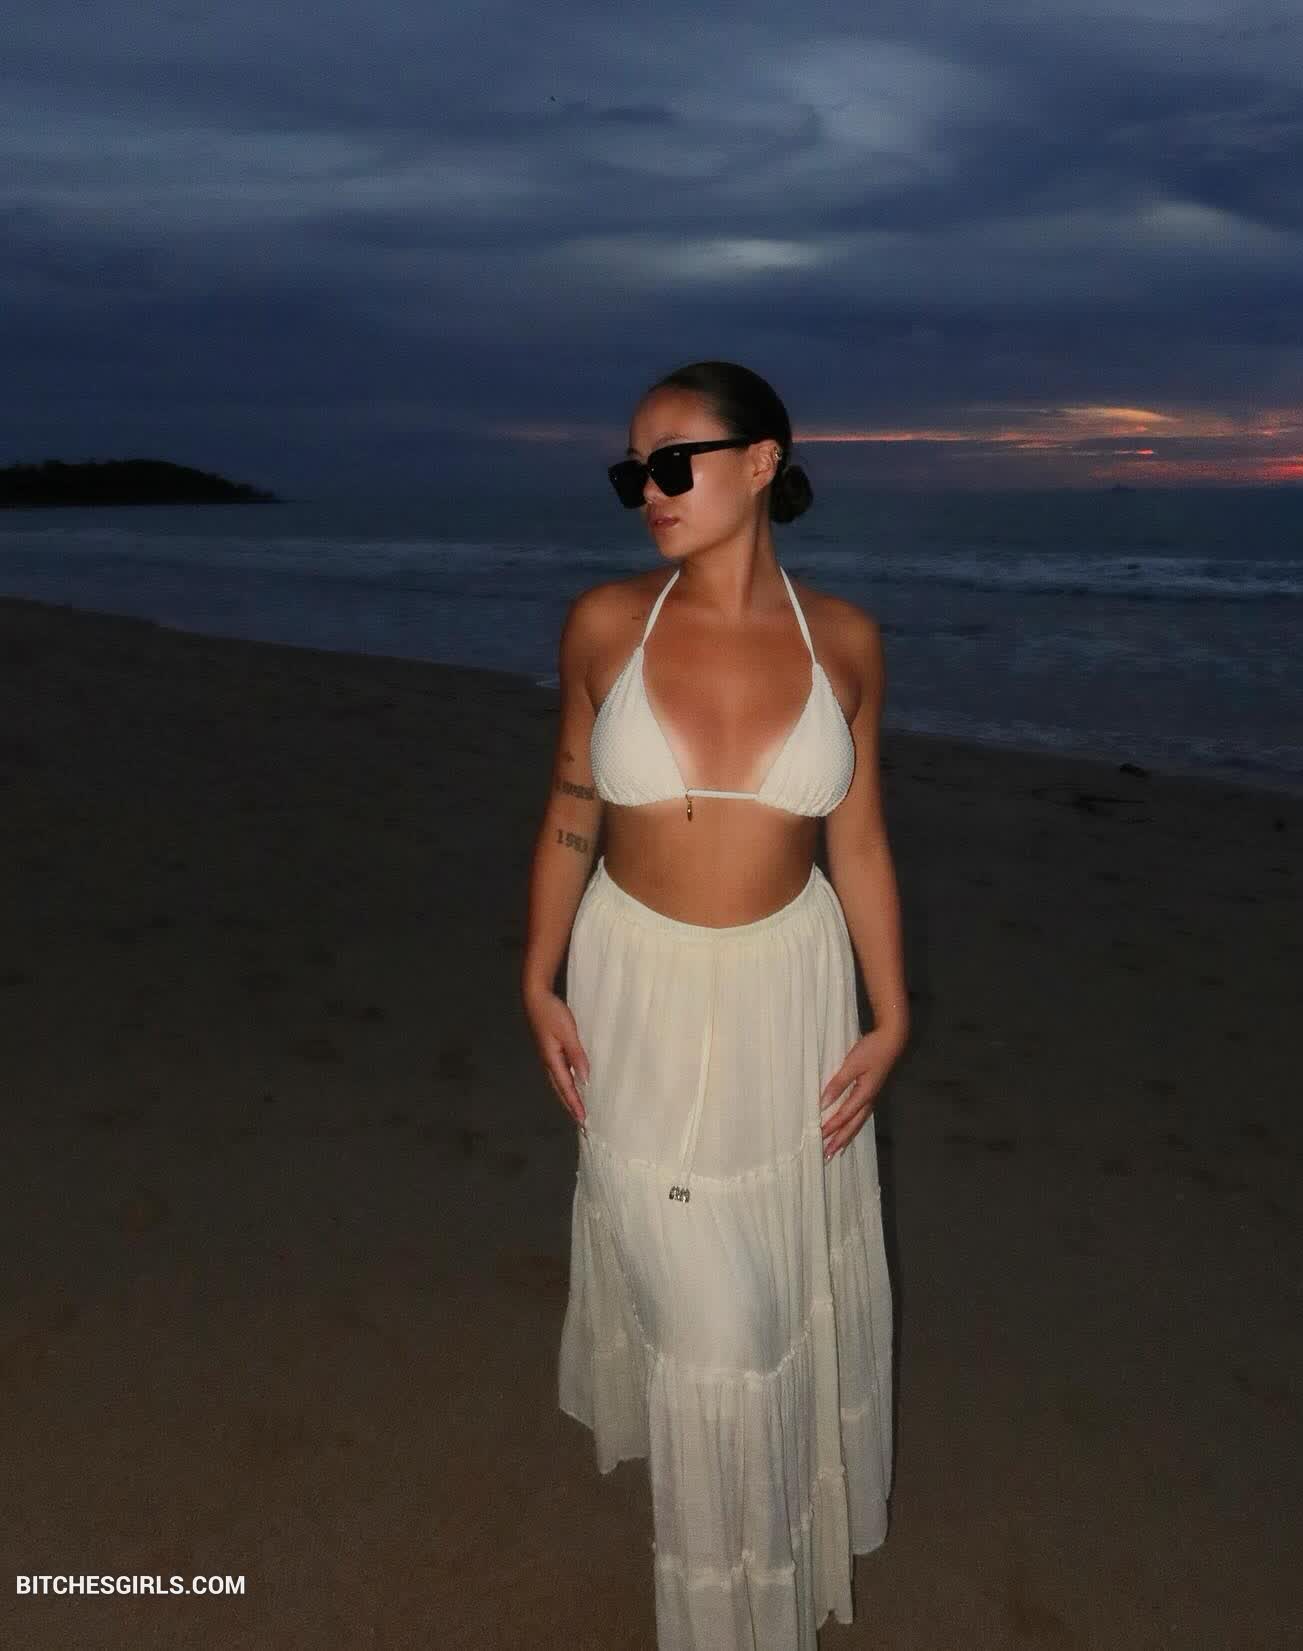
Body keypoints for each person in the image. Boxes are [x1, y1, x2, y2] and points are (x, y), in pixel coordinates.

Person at [520, 359, 908, 1650]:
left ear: (761, 462)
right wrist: (536, 974)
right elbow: (572, 808)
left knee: (767, 1287)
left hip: (788, 994)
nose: (651, 490)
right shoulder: (602, 623)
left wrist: (891, 1016)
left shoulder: (846, 640)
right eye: (634, 470)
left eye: (675, 461)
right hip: (632, 984)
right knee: (722, 1328)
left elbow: (859, 841)